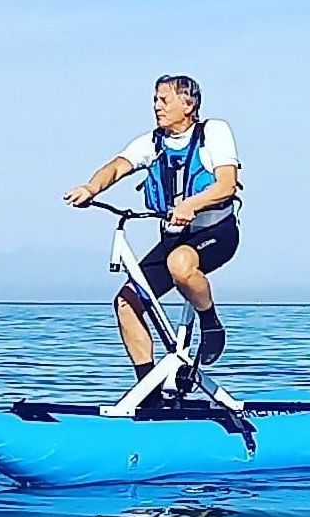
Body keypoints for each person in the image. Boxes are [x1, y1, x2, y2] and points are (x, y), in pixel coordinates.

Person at [63, 75, 241, 383]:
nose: (156, 106)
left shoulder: (214, 132)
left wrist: (191, 205)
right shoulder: (153, 142)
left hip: (217, 231)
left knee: (180, 264)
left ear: (189, 104)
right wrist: (92, 188)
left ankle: (210, 323)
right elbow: (117, 166)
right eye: (155, 100)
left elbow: (226, 184)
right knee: (126, 301)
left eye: (164, 100)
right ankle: (148, 387)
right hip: (175, 238)